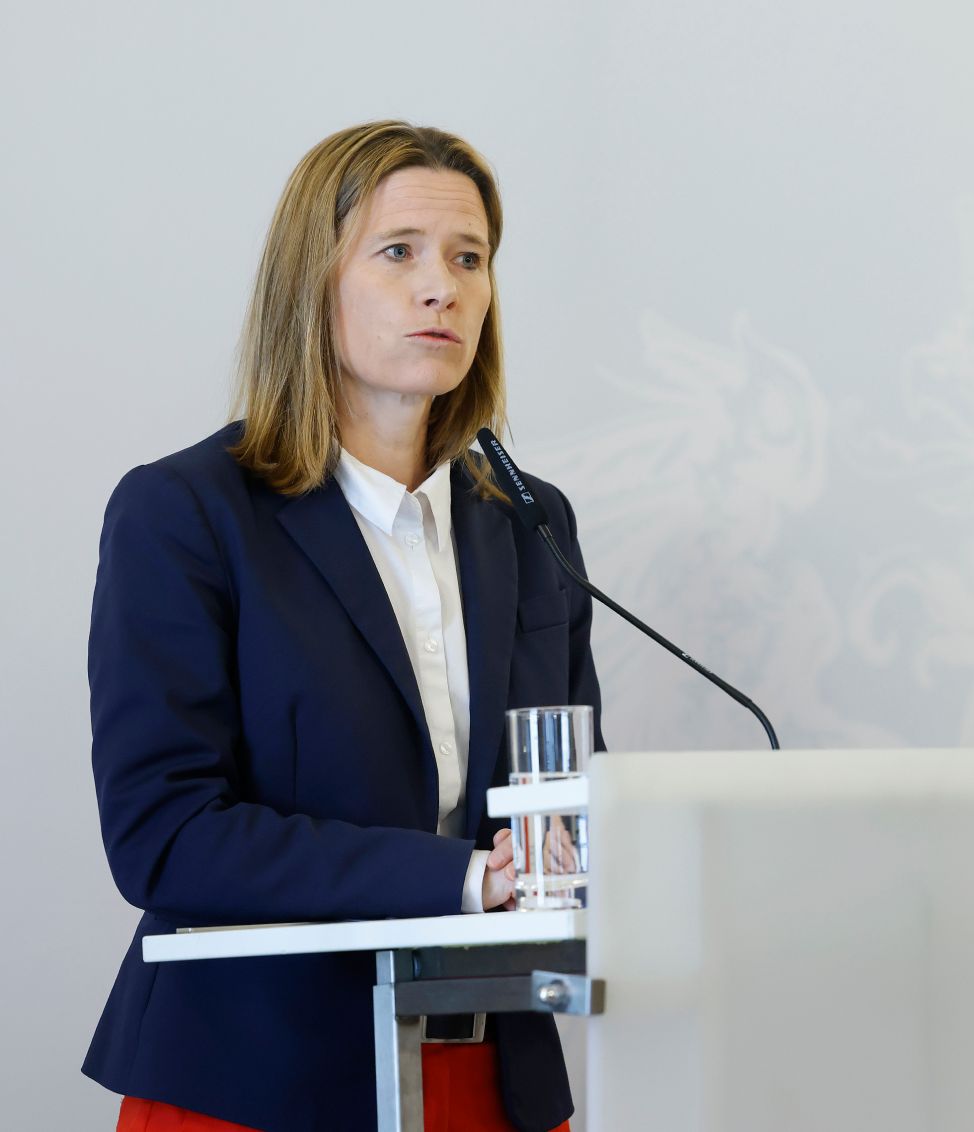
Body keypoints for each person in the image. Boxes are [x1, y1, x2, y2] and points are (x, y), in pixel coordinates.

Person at [83, 122, 600, 1132]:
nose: (441, 288)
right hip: (259, 1083)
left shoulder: (530, 518)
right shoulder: (186, 513)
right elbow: (165, 836)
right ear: (310, 284)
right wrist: (464, 878)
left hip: (495, 1079)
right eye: (398, 251)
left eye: (468, 258)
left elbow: (571, 789)